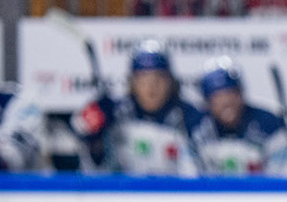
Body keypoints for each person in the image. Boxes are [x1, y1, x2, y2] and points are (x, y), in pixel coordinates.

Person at [72, 40, 202, 177]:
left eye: (159, 78)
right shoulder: (114, 112)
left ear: (170, 81)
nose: (151, 87)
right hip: (121, 194)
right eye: (143, 79)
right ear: (132, 82)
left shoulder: (190, 117)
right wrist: (93, 137)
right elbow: (94, 165)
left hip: (175, 195)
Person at [190, 59, 287, 177]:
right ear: (207, 103)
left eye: (232, 94)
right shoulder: (199, 130)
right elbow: (190, 177)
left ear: (241, 94)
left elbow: (284, 177)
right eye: (218, 97)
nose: (227, 102)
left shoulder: (270, 126)